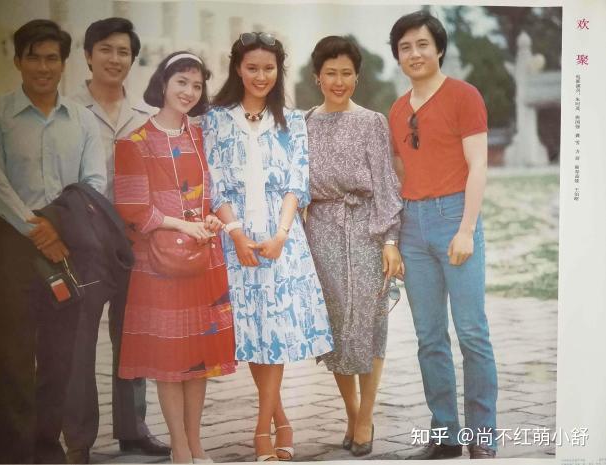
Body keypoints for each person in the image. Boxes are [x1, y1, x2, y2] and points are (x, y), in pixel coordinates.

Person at [0, 19, 106, 463]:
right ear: (18, 61)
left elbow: (93, 184)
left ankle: (48, 450)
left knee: (58, 355)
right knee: (13, 356)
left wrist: (57, 226)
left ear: (64, 64)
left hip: (68, 247)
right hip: (14, 247)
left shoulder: (82, 120)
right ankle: (13, 456)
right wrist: (39, 229)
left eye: (52, 58)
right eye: (34, 57)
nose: (43, 67)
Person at [202, 32, 333, 462]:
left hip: (282, 239)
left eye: (269, 68)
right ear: (237, 69)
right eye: (252, 67)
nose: (261, 76)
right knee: (253, 333)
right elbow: (215, 184)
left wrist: (280, 235)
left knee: (275, 332)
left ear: (279, 71)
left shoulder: (292, 121)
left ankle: (262, 432)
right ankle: (282, 422)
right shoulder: (216, 120)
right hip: (235, 239)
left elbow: (297, 183)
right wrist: (236, 235)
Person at [113, 51, 236, 464]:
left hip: (202, 258)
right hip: (159, 263)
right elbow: (133, 208)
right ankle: (179, 448)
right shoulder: (134, 142)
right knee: (170, 358)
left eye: (197, 85)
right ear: (163, 83)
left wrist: (213, 220)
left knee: (198, 356)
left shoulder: (201, 138)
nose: (189, 91)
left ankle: (197, 443)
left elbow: (213, 197)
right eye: (181, 81)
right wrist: (183, 225)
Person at [388, 11, 498, 459]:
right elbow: (400, 174)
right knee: (429, 336)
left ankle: (483, 436)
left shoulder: (463, 96)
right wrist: (396, 237)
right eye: (405, 47)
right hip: (412, 226)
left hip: (455, 216)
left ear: (438, 49)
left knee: (471, 332)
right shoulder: (397, 111)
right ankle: (446, 434)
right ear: (397, 56)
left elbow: (479, 165)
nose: (414, 54)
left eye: (422, 44)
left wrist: (466, 229)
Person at [63, 17, 169, 463]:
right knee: (79, 342)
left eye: (123, 51)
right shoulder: (68, 112)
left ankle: (133, 429)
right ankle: (79, 439)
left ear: (133, 59)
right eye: (105, 49)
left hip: (133, 244)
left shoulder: (144, 117)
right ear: (88, 55)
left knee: (132, 337)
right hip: (82, 246)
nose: (114, 58)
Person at [303, 35, 403, 457]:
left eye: (347, 73)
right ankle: (352, 412)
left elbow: (386, 183)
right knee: (335, 326)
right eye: (331, 73)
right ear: (318, 77)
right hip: (321, 230)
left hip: (366, 230)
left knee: (369, 321)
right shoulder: (303, 123)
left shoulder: (372, 122)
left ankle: (366, 417)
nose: (339, 81)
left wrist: (390, 240)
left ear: (357, 77)